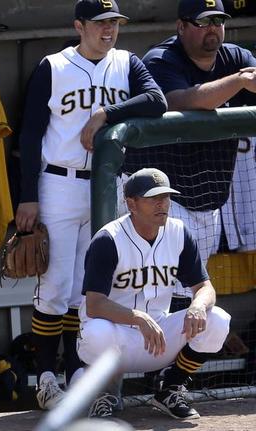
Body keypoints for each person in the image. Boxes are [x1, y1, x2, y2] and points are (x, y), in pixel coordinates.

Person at [15, 0, 167, 410]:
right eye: (100, 23)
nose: (109, 30)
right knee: (54, 285)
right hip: (58, 183)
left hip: (107, 185)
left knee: (89, 289)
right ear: (79, 25)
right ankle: (46, 380)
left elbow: (157, 101)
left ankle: (74, 376)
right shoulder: (54, 66)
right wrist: (27, 194)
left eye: (114, 23)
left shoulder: (126, 62)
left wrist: (106, 112)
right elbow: (29, 135)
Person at [122, 0, 256, 303]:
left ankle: (179, 347)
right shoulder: (160, 59)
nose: (213, 28)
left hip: (207, 196)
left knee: (190, 288)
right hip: (156, 194)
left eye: (218, 20)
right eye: (203, 21)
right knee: (157, 287)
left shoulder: (236, 57)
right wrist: (239, 81)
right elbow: (181, 100)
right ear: (181, 27)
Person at [78, 168, 231, 419]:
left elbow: (205, 288)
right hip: (117, 340)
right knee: (96, 331)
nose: (162, 204)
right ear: (131, 204)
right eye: (153, 198)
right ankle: (103, 395)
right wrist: (137, 317)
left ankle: (170, 388)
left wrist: (197, 306)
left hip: (158, 337)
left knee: (217, 319)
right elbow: (94, 305)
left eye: (166, 197)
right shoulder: (108, 239)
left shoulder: (178, 232)